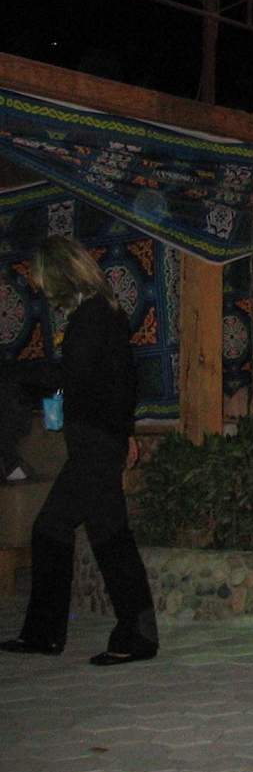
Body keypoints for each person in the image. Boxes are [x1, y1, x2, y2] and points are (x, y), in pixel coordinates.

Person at [1, 236, 157, 665]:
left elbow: (75, 378)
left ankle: (123, 635)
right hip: (99, 440)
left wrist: (16, 376)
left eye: (42, 279)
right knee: (88, 533)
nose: (39, 288)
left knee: (78, 533)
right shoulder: (103, 312)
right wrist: (125, 434)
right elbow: (122, 382)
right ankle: (60, 634)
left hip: (94, 442)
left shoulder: (92, 316)